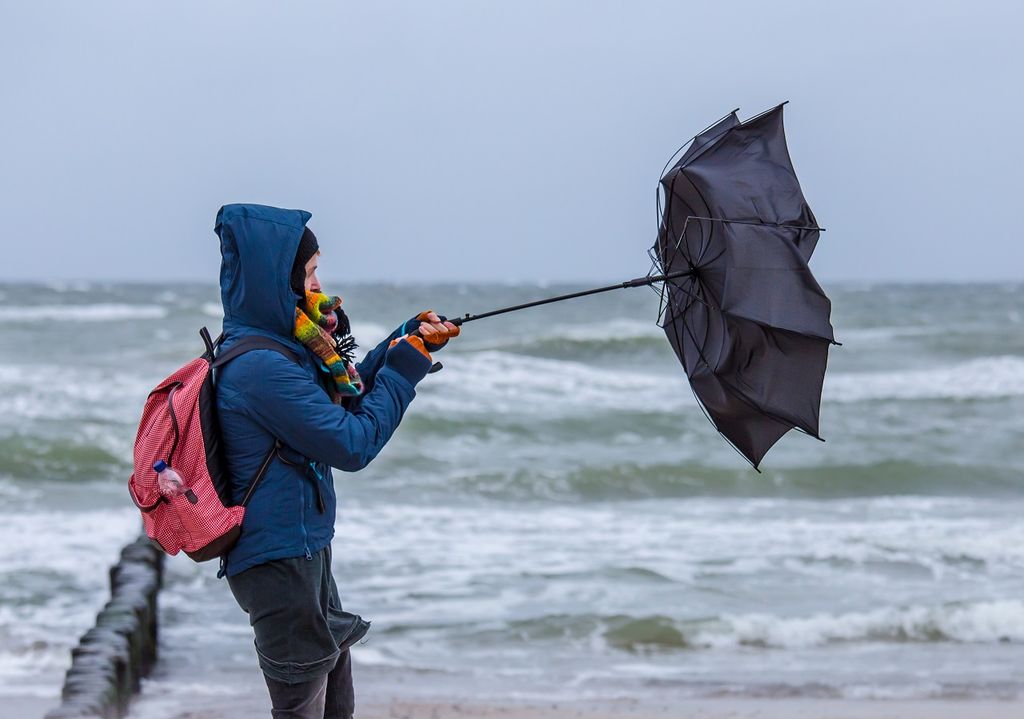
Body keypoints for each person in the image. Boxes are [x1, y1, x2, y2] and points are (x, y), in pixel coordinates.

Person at [212, 203, 459, 719]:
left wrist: (404, 339)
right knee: (302, 704)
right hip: (278, 561)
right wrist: (406, 369)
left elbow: (346, 395)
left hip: (304, 547)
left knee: (336, 687)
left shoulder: (288, 344)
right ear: (276, 279)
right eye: (309, 272)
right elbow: (352, 443)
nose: (319, 282)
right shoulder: (260, 367)